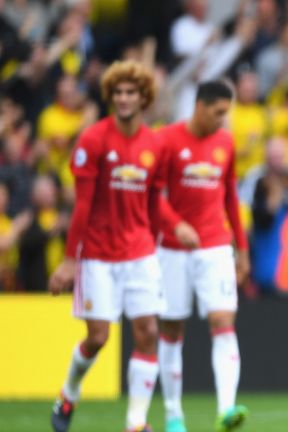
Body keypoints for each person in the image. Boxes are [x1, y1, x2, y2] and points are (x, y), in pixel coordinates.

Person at [48, 60, 165, 432]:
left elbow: (154, 203)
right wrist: (69, 260)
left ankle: (135, 423)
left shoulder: (154, 144)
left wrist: (172, 235)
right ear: (110, 96)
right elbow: (81, 204)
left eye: (131, 92)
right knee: (98, 338)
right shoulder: (93, 139)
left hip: (141, 252)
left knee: (147, 331)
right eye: (118, 92)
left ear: (143, 97)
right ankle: (69, 392)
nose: (124, 98)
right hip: (97, 255)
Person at [155, 80, 250, 432]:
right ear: (200, 106)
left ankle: (226, 409)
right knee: (171, 328)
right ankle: (173, 414)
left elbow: (230, 197)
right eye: (219, 112)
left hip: (214, 246)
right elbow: (154, 194)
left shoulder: (226, 142)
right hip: (173, 249)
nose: (223, 120)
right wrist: (175, 224)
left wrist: (241, 249)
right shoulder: (167, 140)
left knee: (224, 323)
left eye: (227, 113)